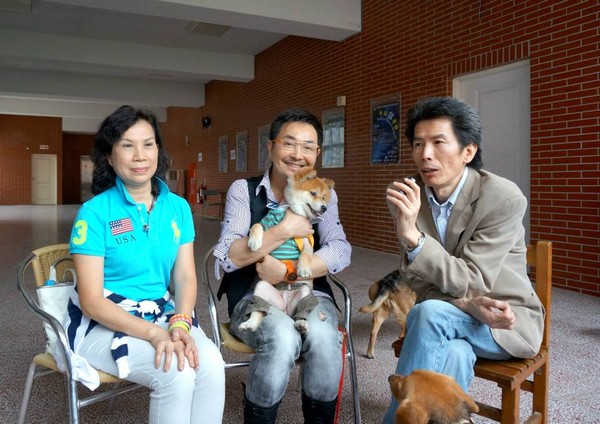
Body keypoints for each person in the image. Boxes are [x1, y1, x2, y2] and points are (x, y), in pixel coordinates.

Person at [382, 97, 544, 423]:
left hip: (504, 322)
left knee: (428, 315)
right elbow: (414, 280)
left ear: (468, 152)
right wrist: (466, 305)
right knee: (453, 350)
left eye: (438, 143)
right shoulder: (409, 196)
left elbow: (473, 281)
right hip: (454, 317)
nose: (425, 154)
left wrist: (413, 237)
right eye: (417, 144)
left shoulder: (502, 196)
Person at [65, 105, 225, 424]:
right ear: (109, 157)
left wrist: (180, 321)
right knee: (175, 372)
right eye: (127, 145)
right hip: (103, 323)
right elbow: (92, 301)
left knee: (211, 365)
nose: (140, 155)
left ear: (158, 151)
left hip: (162, 313)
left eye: (148, 143)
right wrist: (154, 334)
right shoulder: (94, 213)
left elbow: (184, 275)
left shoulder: (177, 207)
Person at [213, 108, 351, 424]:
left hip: (308, 294)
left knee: (323, 336)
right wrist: (284, 230)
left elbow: (340, 250)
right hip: (253, 296)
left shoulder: (323, 193)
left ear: (317, 153)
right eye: (289, 144)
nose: (297, 155)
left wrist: (289, 271)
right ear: (271, 146)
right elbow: (228, 257)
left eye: (307, 147)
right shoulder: (243, 191)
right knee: (281, 335)